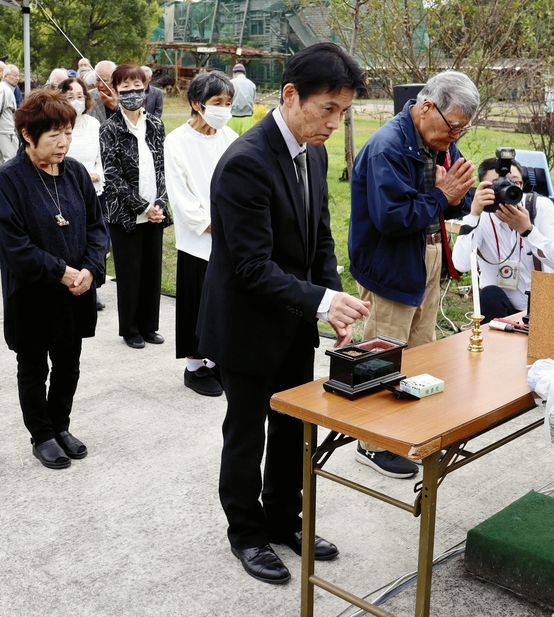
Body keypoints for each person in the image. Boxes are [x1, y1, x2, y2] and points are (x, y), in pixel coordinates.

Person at [198, 42, 371, 585]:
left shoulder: (313, 152)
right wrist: (322, 301)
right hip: (246, 326)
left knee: (293, 430)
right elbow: (251, 267)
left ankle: (283, 518)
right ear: (291, 95)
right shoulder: (246, 162)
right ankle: (246, 533)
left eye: (343, 112)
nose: (334, 122)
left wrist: (335, 303)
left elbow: (318, 238)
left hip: (294, 320)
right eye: (329, 109)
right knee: (246, 435)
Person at [348, 70, 476, 478]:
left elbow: (455, 200)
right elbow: (392, 218)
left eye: (463, 129)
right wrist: (441, 195)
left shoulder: (437, 143)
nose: (455, 136)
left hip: (428, 255)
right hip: (390, 261)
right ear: (426, 107)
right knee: (382, 352)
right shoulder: (389, 147)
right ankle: (370, 442)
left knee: (422, 350)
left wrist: (458, 195)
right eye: (453, 126)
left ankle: (408, 431)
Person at [0, 90, 106, 470]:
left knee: (69, 363)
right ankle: (41, 434)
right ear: (27, 134)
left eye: (68, 133)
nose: (63, 142)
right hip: (34, 294)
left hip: (76, 290)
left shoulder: (74, 173)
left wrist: (89, 269)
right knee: (34, 366)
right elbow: (15, 245)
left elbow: (96, 226)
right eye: (53, 134)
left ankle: (61, 425)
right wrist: (62, 272)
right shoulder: (8, 180)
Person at [163, 71, 237, 397]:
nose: (224, 109)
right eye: (217, 103)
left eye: (229, 103)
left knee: (224, 302)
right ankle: (194, 367)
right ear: (197, 104)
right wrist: (211, 225)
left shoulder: (231, 138)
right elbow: (181, 196)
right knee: (196, 300)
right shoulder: (177, 141)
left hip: (230, 236)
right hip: (198, 238)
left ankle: (218, 359)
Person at [100, 63, 170, 349]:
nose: (132, 93)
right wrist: (142, 207)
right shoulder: (110, 128)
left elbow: (165, 167)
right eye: (125, 88)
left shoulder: (155, 124)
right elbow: (112, 176)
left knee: (152, 271)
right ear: (115, 91)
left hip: (156, 212)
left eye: (137, 87)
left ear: (146, 89)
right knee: (130, 273)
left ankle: (149, 326)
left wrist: (160, 204)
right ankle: (130, 328)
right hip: (126, 214)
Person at [452, 157, 554, 320]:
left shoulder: (540, 207)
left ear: (521, 185)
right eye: (497, 185)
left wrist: (528, 231)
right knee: (489, 295)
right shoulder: (481, 217)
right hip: (499, 308)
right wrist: (473, 215)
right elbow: (461, 265)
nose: (506, 190)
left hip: (542, 308)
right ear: (483, 188)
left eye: (513, 182)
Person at [59, 76, 106, 311]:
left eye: (80, 96)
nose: (76, 101)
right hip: (67, 191)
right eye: (70, 97)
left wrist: (95, 174)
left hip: (93, 189)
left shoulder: (94, 125)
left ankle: (92, 285)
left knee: (95, 242)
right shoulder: (58, 126)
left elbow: (101, 159)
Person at [229, 63, 256, 135]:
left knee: (231, 142)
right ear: (244, 73)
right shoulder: (252, 84)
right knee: (246, 142)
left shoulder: (230, 83)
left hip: (232, 117)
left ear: (234, 73)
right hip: (248, 118)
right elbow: (253, 99)